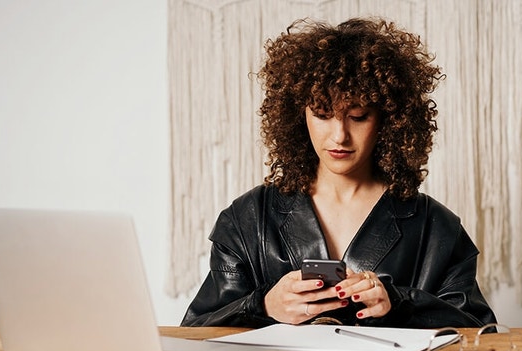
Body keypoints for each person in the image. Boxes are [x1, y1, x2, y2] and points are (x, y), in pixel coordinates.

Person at [181, 17, 496, 328]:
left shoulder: (438, 229)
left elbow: (480, 333)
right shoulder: (245, 220)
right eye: (322, 114)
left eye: (358, 116)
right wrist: (263, 305)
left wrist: (399, 303)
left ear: (389, 118)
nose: (339, 136)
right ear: (297, 115)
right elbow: (195, 333)